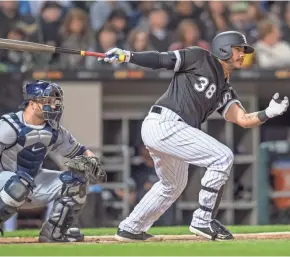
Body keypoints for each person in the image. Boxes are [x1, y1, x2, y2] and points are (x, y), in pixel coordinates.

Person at [98, 31, 289, 241]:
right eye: (238, 49)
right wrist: (127, 55)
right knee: (222, 156)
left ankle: (131, 228)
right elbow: (162, 59)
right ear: (223, 49)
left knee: (173, 185)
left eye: (243, 51)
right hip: (165, 122)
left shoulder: (225, 89)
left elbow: (243, 119)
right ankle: (203, 220)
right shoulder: (200, 57)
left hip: (171, 130)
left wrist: (268, 113)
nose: (242, 54)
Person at [0, 80, 97, 242]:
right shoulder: (8, 126)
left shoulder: (54, 130)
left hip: (31, 182)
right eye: (47, 101)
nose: (53, 106)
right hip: (4, 182)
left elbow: (81, 151)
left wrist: (93, 162)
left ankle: (54, 233)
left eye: (54, 102)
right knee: (19, 184)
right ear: (31, 104)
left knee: (76, 182)